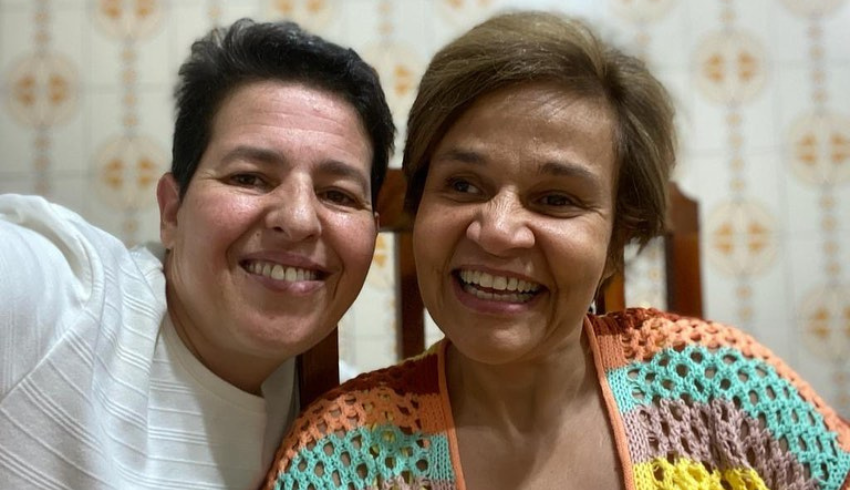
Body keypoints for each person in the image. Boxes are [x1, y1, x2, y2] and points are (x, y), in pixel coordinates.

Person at [263, 10, 850, 490]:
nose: (497, 230)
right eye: (463, 185)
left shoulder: (727, 390)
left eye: (556, 199)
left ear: (618, 240)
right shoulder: (342, 458)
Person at [0, 18, 393, 490]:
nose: (299, 219)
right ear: (172, 212)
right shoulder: (66, 304)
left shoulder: (352, 427)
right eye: (249, 178)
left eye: (337, 194)